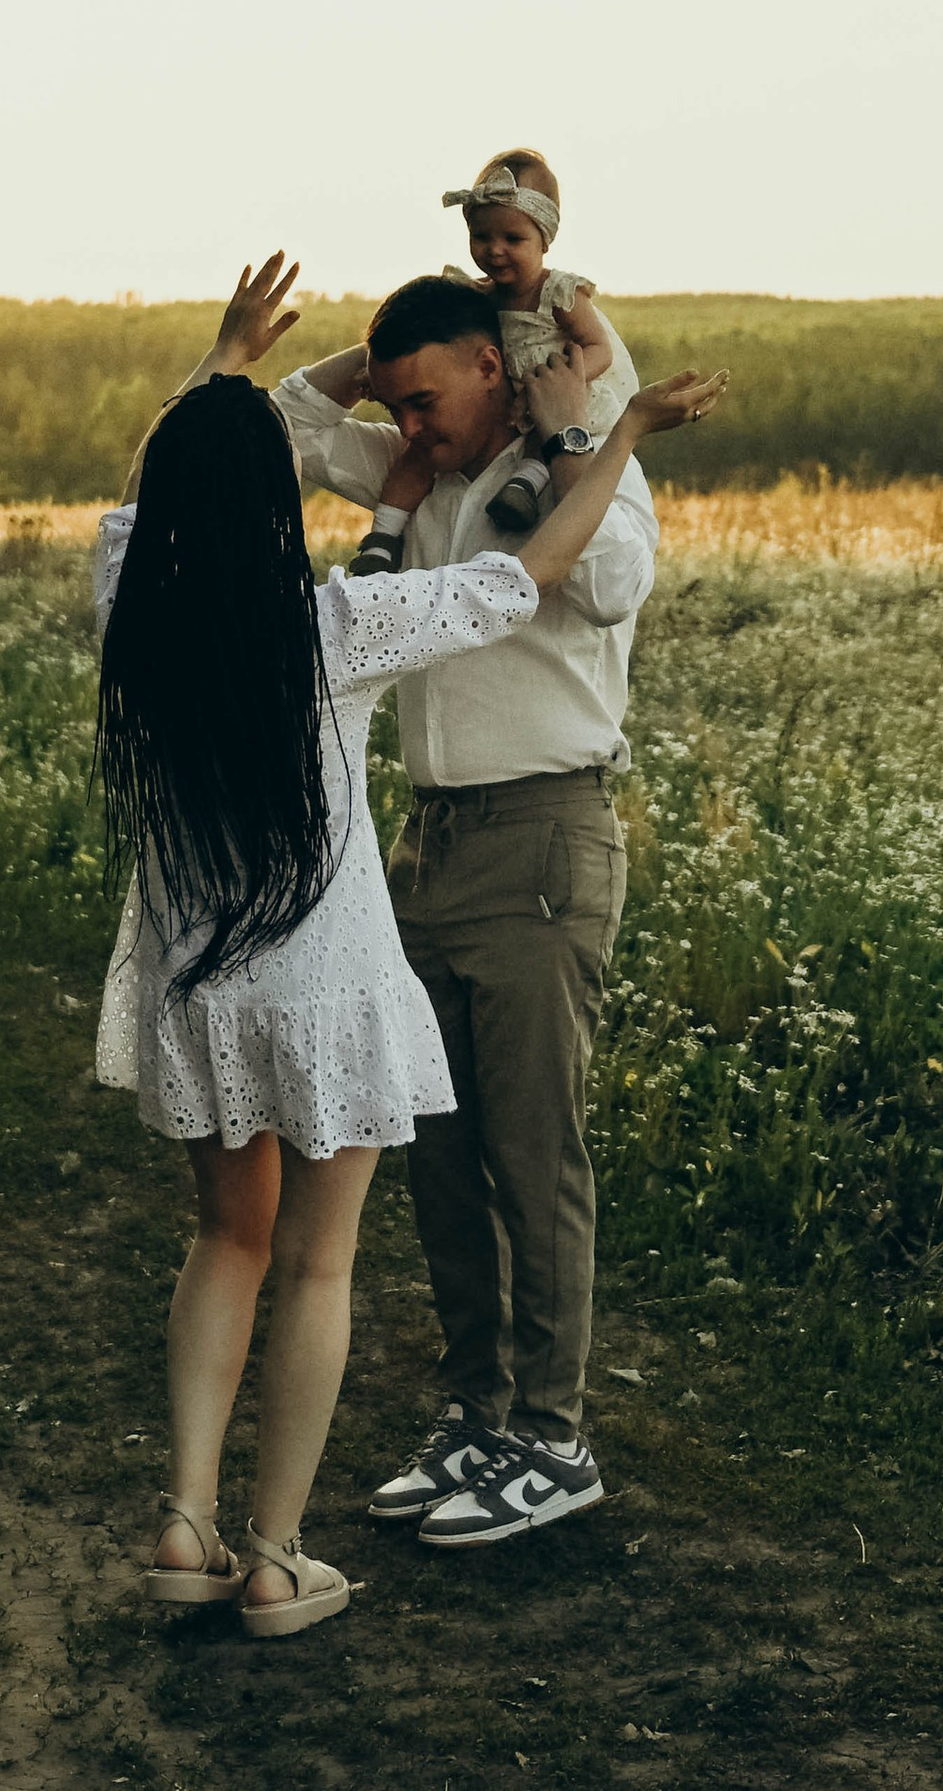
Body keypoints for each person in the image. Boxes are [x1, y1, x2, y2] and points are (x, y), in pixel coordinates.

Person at [95, 259, 721, 1639]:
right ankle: (277, 1557)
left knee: (224, 1239)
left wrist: (228, 361)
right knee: (317, 1265)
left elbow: (159, 484)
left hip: (196, 985)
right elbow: (529, 575)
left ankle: (187, 1519)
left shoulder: (128, 598)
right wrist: (622, 427)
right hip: (324, 985)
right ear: (273, 509)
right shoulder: (334, 629)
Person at [275, 273, 724, 1552]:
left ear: (492, 365)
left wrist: (576, 420)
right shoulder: (417, 468)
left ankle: (553, 1437)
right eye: (394, 405)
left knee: (533, 1154)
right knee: (440, 1158)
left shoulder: (586, 465)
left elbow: (610, 586)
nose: (405, 427)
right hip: (429, 842)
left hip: (542, 837)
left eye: (425, 398)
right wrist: (374, 361)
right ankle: (474, 1415)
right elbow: (289, 428)